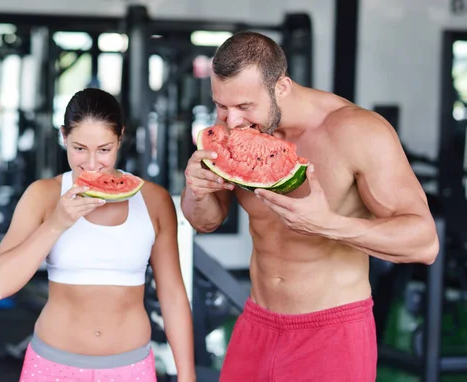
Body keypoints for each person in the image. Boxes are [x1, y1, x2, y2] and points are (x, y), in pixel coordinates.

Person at [181, 31, 439, 381]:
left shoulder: (358, 131)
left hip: (332, 332)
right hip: (256, 322)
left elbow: (424, 243)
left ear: (282, 87)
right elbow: (206, 221)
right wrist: (196, 190)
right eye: (220, 106)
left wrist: (327, 224)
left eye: (244, 106)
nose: (231, 120)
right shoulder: (232, 125)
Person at [0, 88, 196, 382]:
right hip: (52, 366)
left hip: (131, 368)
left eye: (104, 149)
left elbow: (173, 295)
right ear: (63, 136)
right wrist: (57, 223)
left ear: (120, 137)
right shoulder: (42, 195)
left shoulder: (153, 200)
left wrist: (187, 376)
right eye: (79, 148)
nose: (92, 163)